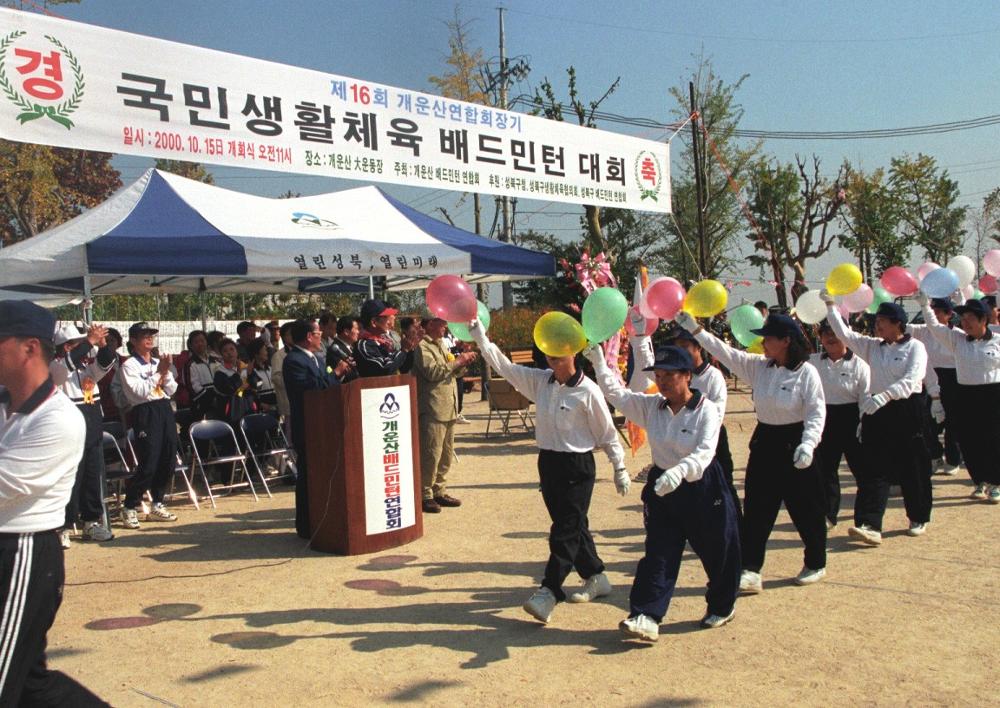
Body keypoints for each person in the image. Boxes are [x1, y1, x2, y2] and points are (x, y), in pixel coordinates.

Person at [469, 318, 629, 624]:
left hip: (577, 465)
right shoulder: (540, 381)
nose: (554, 360)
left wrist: (618, 465)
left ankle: (550, 590)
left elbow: (607, 433)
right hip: (549, 462)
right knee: (571, 523)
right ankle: (596, 575)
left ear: (574, 353)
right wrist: (480, 337)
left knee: (565, 529)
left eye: (560, 354)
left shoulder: (588, 391)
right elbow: (504, 366)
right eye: (550, 355)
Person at [585, 343, 741, 639]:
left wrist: (681, 471)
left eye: (670, 374)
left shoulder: (706, 410)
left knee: (718, 550)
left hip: (702, 487)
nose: (663, 381)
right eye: (659, 375)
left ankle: (722, 606)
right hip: (663, 489)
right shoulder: (652, 406)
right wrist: (599, 366)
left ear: (687, 376)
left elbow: (706, 453)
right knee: (659, 551)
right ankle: (645, 614)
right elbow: (618, 396)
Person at [0, 301, 108, 706]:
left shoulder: (57, 418)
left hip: (20, 554)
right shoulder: (5, 406)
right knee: (30, 685)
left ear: (28, 349)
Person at [676, 310, 828, 592]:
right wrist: (696, 330)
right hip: (765, 441)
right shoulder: (760, 367)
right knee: (758, 507)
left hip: (796, 441)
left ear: (785, 341)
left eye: (768, 339)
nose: (763, 344)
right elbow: (724, 351)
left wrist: (808, 443)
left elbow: (816, 413)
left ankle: (816, 561)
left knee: (805, 508)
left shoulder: (807, 373)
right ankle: (751, 567)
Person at [821, 294, 932, 544]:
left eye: (883, 321)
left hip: (907, 410)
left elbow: (912, 380)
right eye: (877, 321)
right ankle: (869, 523)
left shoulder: (915, 347)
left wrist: (884, 396)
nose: (877, 325)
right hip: (878, 413)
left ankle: (918, 516)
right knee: (873, 469)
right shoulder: (872, 346)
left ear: (898, 324)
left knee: (911, 467)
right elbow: (845, 333)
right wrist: (830, 307)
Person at [919, 296, 1000, 503]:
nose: (965, 322)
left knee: (993, 441)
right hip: (966, 394)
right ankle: (979, 481)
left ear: (983, 319)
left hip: (993, 395)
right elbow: (934, 326)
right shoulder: (957, 339)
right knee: (969, 440)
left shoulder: (998, 340)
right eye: (962, 318)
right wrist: (924, 305)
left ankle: (995, 483)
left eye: (970, 318)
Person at [50, 323, 117, 546]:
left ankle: (91, 522)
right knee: (70, 478)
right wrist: (89, 340)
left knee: (92, 474)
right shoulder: (56, 366)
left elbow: (105, 363)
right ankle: (63, 526)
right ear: (66, 346)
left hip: (92, 423)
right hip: (68, 427)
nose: (85, 347)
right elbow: (63, 368)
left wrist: (103, 344)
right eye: (78, 343)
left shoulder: (85, 367)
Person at [664, 328, 738, 519]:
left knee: (723, 486)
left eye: (685, 346)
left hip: (712, 438)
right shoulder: (678, 375)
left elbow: (718, 411)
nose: (681, 351)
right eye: (677, 347)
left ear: (698, 347)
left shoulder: (713, 376)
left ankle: (736, 525)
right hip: (684, 437)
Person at [283, 319, 345, 538]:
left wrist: (339, 376)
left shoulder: (315, 358)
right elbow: (311, 390)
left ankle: (322, 519)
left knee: (321, 475)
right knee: (308, 476)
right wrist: (335, 374)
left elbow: (326, 386)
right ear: (309, 336)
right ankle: (306, 525)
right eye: (319, 333)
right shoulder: (294, 360)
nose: (322, 337)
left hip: (323, 424)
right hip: (308, 425)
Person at [118, 322, 180, 529]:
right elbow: (139, 392)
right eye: (144, 335)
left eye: (151, 335)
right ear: (133, 341)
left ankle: (157, 502)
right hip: (145, 411)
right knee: (149, 461)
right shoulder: (129, 365)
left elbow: (171, 389)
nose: (149, 338)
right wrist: (158, 374)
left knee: (169, 457)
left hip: (163, 407)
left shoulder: (157, 361)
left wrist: (164, 371)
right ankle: (129, 505)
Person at [810, 320, 871, 529]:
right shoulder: (813, 363)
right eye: (826, 334)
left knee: (863, 473)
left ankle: (864, 520)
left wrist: (864, 423)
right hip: (825, 418)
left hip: (852, 418)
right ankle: (828, 514)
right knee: (825, 471)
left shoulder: (860, 365)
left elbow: (866, 397)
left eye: (835, 333)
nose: (830, 338)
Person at [413, 317, 477, 513]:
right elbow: (432, 372)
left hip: (448, 407)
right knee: (431, 453)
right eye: (442, 323)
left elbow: (452, 371)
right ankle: (425, 494)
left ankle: (439, 490)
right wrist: (457, 361)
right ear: (430, 324)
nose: (445, 327)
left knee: (446, 454)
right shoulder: (422, 347)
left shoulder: (441, 344)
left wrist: (463, 361)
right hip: (432, 407)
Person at [908, 298, 962, 476]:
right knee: (926, 421)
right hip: (928, 378)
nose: (934, 314)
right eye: (932, 310)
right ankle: (935, 455)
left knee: (952, 421)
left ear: (949, 315)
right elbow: (903, 328)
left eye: (939, 311)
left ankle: (953, 459)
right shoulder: (922, 331)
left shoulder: (958, 334)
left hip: (952, 379)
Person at [355, 299, 421, 377]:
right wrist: (403, 350)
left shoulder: (384, 343)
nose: (389, 322)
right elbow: (384, 368)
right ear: (374, 322)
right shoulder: (365, 345)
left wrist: (410, 350)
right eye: (386, 318)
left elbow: (402, 368)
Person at [326, 315, 360, 383]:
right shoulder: (335, 350)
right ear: (346, 332)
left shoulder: (353, 347)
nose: (358, 332)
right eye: (356, 329)